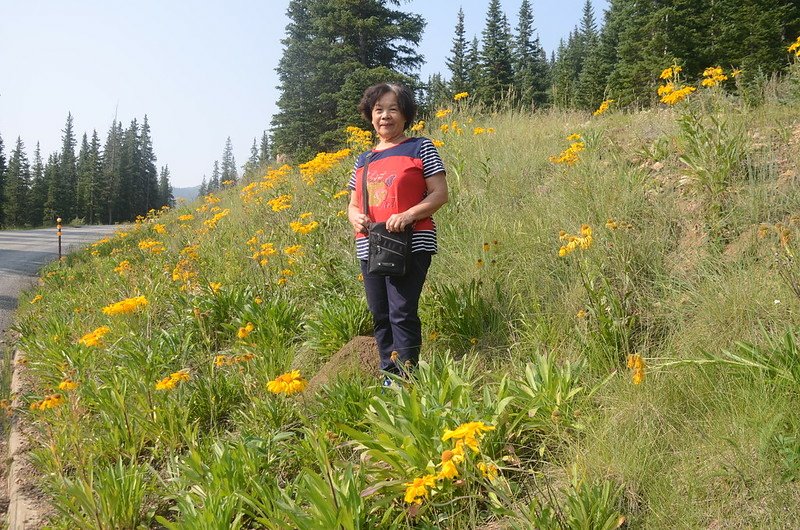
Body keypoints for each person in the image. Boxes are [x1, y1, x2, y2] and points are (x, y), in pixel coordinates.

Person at [347, 82, 448, 381]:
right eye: (379, 110)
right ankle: (389, 375)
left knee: (401, 312)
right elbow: (352, 204)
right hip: (371, 245)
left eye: (393, 109)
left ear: (406, 114)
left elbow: (439, 194)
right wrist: (355, 217)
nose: (385, 116)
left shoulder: (420, 147)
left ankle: (406, 379)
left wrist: (407, 215)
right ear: (370, 115)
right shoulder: (363, 159)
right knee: (380, 315)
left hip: (411, 242)